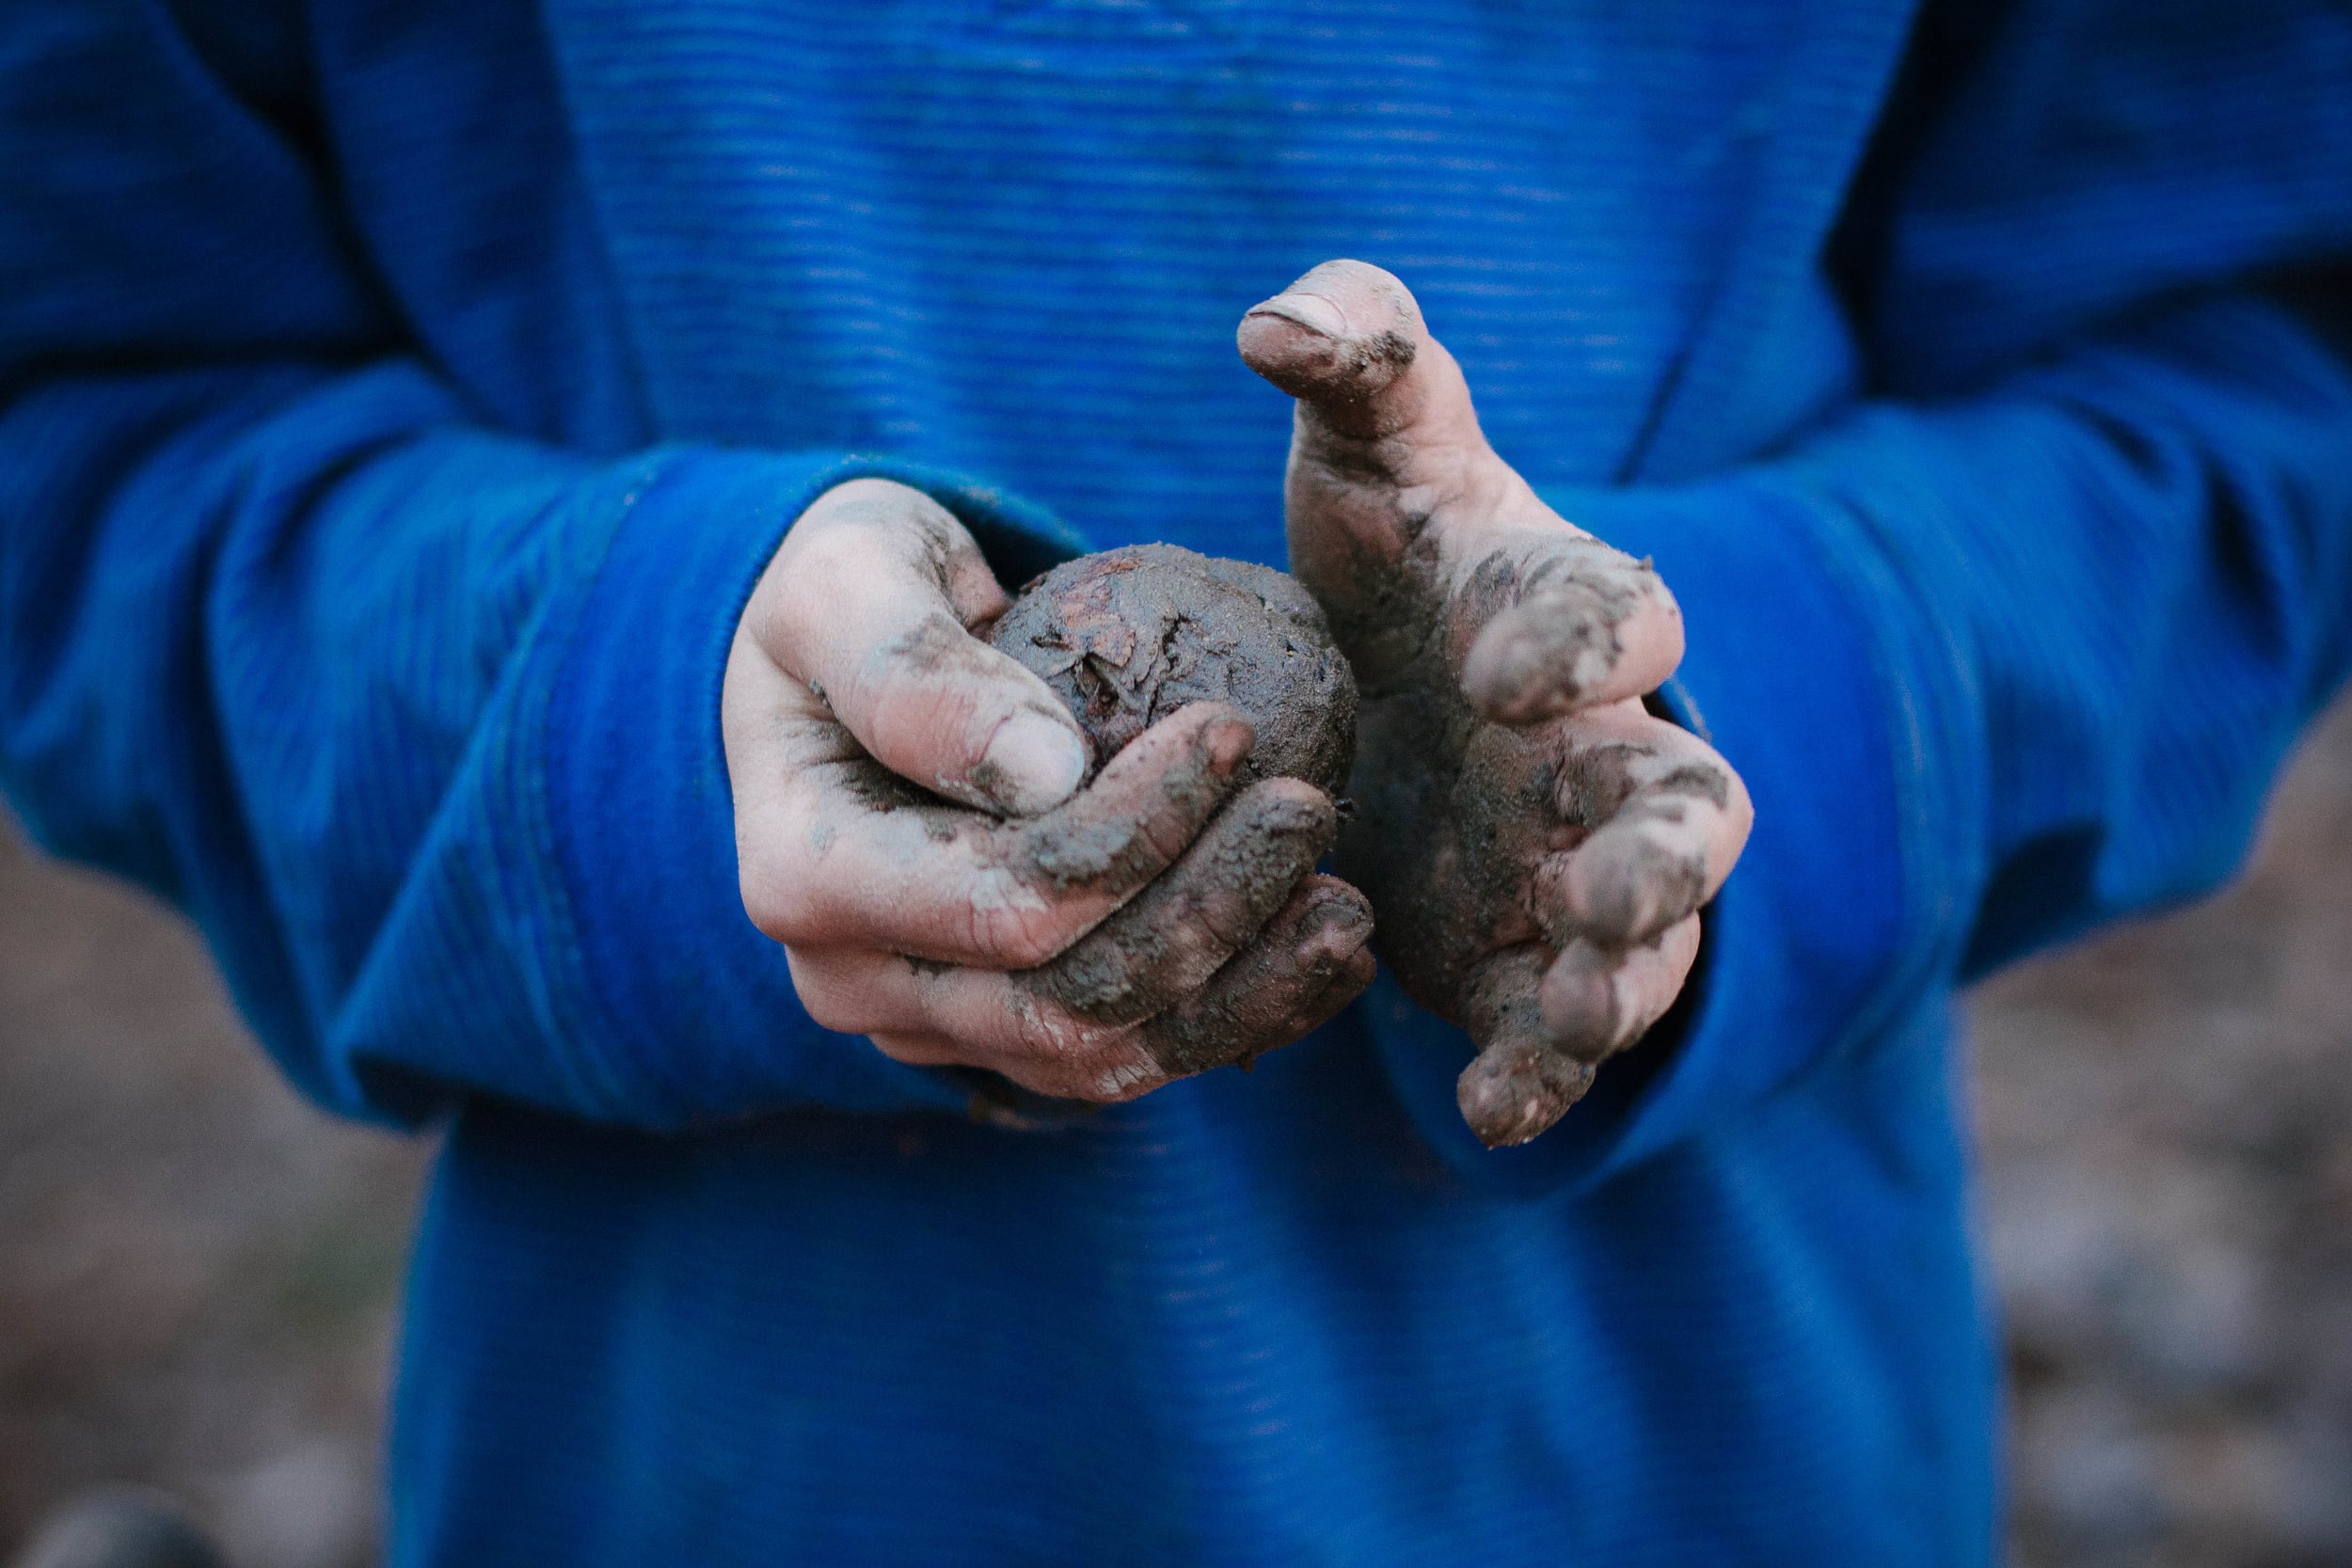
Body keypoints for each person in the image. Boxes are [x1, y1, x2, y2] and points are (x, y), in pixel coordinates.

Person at [2, 1, 2345, 1562]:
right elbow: (93, 417)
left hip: (1689, 1446)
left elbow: (2230, 379)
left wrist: (1727, 708)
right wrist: (620, 696)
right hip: (718, 1458)